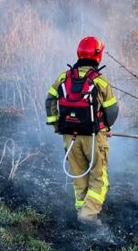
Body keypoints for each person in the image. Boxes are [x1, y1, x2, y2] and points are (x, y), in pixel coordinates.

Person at [45, 36, 119, 226]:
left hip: (69, 136)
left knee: (78, 175)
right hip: (94, 137)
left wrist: (57, 125)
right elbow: (112, 110)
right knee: (99, 178)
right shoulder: (100, 82)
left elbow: (50, 100)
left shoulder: (63, 77)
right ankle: (88, 216)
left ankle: (81, 208)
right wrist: (107, 128)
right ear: (98, 56)